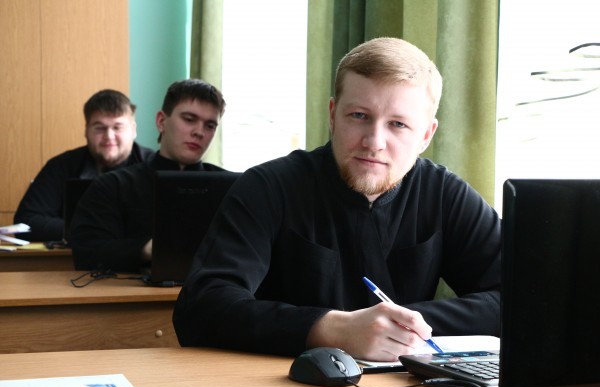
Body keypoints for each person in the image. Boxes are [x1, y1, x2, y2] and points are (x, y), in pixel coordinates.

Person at [172, 37, 501, 362]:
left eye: (398, 124)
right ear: (332, 115)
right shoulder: (267, 187)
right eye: (359, 115)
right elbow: (200, 309)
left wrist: (398, 326)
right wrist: (330, 328)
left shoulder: (445, 194)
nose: (374, 142)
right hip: (280, 381)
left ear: (426, 135)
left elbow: (519, 298)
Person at [69, 79, 227, 273]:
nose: (199, 132)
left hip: (210, 290)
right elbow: (86, 253)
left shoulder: (231, 189)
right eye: (189, 119)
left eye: (210, 125)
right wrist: (146, 249)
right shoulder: (112, 186)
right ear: (161, 121)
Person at [13, 89, 154, 242]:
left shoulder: (154, 166)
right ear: (86, 130)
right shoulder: (61, 166)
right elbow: (25, 222)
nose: (109, 136)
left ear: (133, 130)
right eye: (99, 128)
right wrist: (90, 231)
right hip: (73, 257)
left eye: (117, 127)